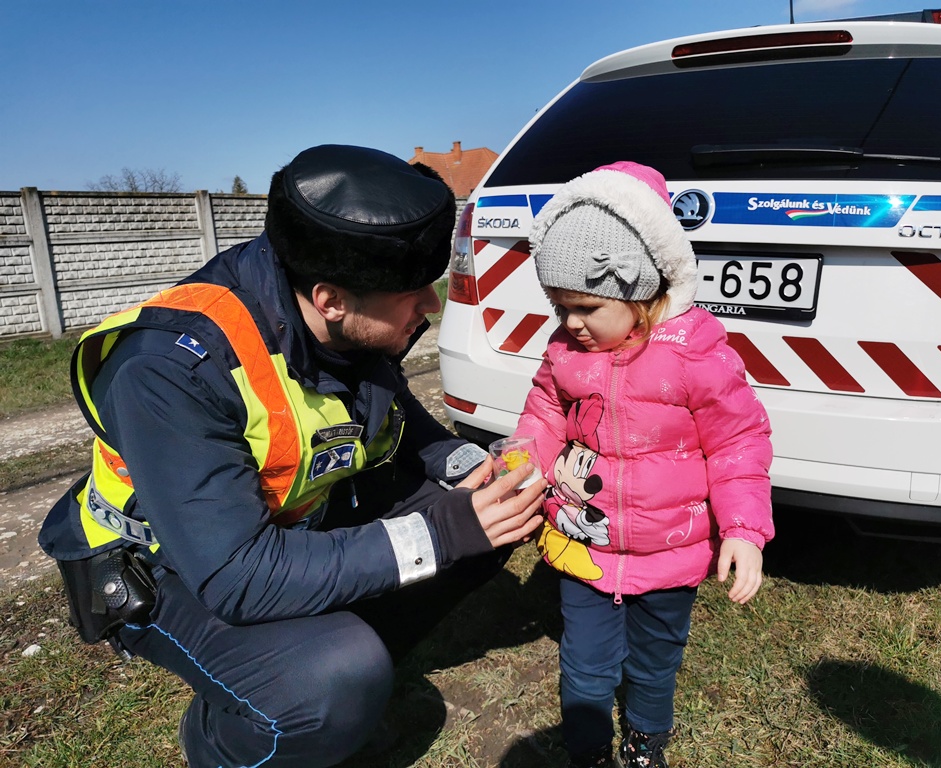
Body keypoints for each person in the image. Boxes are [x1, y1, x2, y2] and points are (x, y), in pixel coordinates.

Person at [38, 144, 546, 768]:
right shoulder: (169, 369)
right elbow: (236, 574)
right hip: (167, 564)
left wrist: (465, 468)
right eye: (415, 291)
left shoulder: (336, 307)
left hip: (285, 524)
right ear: (331, 299)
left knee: (487, 518)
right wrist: (436, 534)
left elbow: (390, 410)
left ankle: (347, 667)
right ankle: (229, 735)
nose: (432, 305)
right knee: (333, 677)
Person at [512, 161, 774, 767]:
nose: (569, 324)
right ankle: (587, 750)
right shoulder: (565, 354)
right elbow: (545, 415)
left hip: (672, 553)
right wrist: (525, 464)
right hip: (584, 544)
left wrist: (743, 530)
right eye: (558, 306)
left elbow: (738, 444)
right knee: (584, 664)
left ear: (639, 290)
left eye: (583, 307)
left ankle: (646, 741)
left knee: (656, 663)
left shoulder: (695, 355)